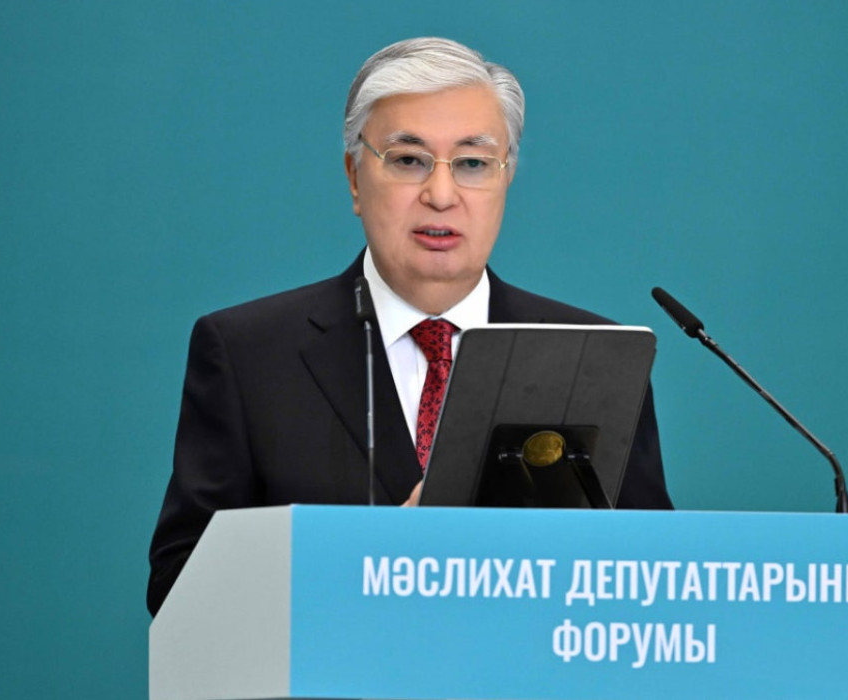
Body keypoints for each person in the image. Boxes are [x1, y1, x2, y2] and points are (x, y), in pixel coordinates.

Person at [147, 37, 673, 616]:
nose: (441, 195)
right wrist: (376, 560)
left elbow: (655, 576)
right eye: (408, 160)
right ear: (354, 177)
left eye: (472, 163)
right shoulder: (249, 354)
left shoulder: (592, 354)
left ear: (506, 178)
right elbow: (178, 589)